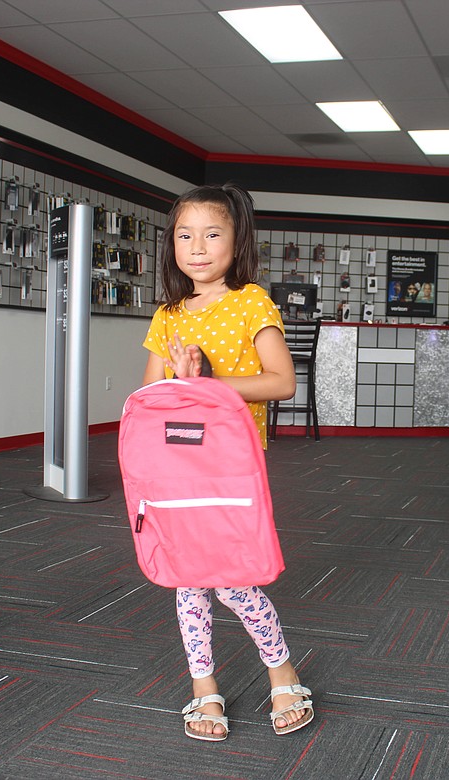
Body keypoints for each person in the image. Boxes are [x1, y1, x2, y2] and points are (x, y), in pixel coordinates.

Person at [141, 183, 314, 742]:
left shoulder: (251, 302)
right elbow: (151, 399)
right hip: (176, 465)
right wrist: (177, 377)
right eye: (185, 235)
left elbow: (281, 382)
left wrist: (207, 383)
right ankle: (203, 687)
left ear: (237, 242)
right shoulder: (168, 314)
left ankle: (281, 669)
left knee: (232, 576)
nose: (197, 246)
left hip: (232, 464)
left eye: (212, 233)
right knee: (187, 581)